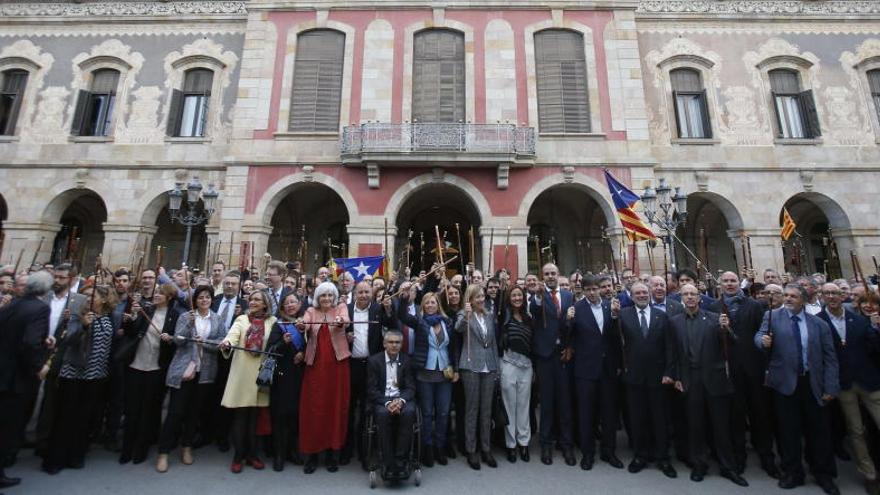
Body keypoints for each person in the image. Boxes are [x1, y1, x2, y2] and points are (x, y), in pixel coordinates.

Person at [755, 284, 840, 495]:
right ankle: (793, 472)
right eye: (786, 295)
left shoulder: (818, 323)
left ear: (803, 299)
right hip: (785, 383)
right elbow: (759, 336)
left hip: (812, 382)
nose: (788, 299)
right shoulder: (772, 316)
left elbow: (830, 358)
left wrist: (830, 386)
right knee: (788, 431)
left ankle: (823, 474)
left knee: (818, 431)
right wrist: (762, 341)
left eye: (793, 296)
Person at [669, 284, 748, 486]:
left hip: (715, 379)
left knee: (721, 426)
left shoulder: (715, 319)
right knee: (695, 426)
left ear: (700, 297)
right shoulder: (675, 322)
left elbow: (733, 344)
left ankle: (728, 467)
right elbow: (673, 354)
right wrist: (676, 377)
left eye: (693, 294)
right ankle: (699, 464)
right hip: (690, 379)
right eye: (685, 294)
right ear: (681, 298)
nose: (689, 297)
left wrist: (726, 329)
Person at [43, 284, 117, 474]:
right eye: (86, 296)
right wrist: (84, 325)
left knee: (84, 417)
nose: (88, 299)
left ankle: (76, 455)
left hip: (96, 374)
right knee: (65, 416)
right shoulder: (77, 316)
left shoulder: (108, 317)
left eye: (93, 296)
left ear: (103, 299)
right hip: (74, 372)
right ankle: (55, 459)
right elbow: (69, 340)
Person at [817, 283, 880, 495]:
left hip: (868, 380)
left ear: (842, 295)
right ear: (822, 296)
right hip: (843, 384)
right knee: (856, 430)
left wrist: (876, 329)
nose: (832, 296)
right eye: (828, 293)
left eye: (836, 293)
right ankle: (869, 473)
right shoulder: (818, 320)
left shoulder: (860, 319)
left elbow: (874, 348)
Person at [156, 285, 226, 472]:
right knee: (175, 412)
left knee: (194, 413)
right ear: (195, 300)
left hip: (205, 372)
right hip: (184, 369)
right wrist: (188, 326)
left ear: (212, 299)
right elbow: (177, 340)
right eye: (200, 297)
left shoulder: (217, 319)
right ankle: (163, 452)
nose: (204, 300)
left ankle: (186, 447)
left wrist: (207, 343)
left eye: (207, 297)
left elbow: (221, 341)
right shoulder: (186, 316)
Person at [718, 271, 779, 477]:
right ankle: (739, 456)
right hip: (729, 370)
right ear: (720, 284)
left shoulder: (754, 305)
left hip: (753, 368)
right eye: (725, 281)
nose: (729, 284)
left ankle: (766, 456)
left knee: (760, 413)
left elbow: (762, 333)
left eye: (733, 280)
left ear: (739, 283)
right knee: (735, 415)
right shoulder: (714, 307)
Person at [618, 281, 677, 479]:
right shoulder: (623, 315)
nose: (642, 295)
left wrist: (669, 372)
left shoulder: (662, 316)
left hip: (658, 377)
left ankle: (663, 457)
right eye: (638, 293)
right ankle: (640, 456)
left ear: (650, 294)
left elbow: (669, 347)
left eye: (645, 292)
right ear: (631, 296)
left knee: (660, 419)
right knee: (638, 418)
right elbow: (619, 344)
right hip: (633, 377)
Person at [118, 283, 179, 465]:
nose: (156, 295)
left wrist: (170, 339)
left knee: (149, 410)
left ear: (169, 297)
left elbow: (176, 341)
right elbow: (131, 332)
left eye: (161, 293)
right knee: (132, 408)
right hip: (137, 364)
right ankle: (127, 448)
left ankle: (141, 448)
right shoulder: (146, 309)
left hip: (156, 368)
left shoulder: (174, 316)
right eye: (156, 292)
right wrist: (131, 318)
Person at [0, 270, 51, 489]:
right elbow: (30, 343)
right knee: (8, 427)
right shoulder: (40, 308)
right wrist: (39, 365)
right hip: (18, 376)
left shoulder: (12, 304)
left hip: (3, 370)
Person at [396, 290, 457, 467]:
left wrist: (457, 369)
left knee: (444, 412)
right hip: (424, 374)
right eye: (427, 303)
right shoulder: (420, 322)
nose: (430, 305)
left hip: (444, 373)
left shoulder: (447, 322)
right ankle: (427, 447)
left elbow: (454, 347)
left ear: (438, 305)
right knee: (428, 413)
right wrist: (404, 298)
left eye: (433, 303)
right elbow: (402, 316)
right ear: (422, 306)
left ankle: (440, 446)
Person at [568, 276, 623, 471]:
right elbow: (568, 337)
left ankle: (609, 451)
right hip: (585, 370)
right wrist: (568, 320)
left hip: (608, 369)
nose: (592, 293)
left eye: (595, 289)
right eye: (588, 289)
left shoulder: (611, 306)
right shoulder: (577, 309)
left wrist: (617, 317)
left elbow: (618, 338)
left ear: (600, 289)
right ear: (583, 291)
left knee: (609, 413)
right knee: (587, 414)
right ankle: (588, 453)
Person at [219, 290, 277, 473]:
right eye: (251, 299)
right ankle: (238, 456)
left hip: (261, 374)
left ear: (265, 304)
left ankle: (252, 455)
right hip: (242, 373)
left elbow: (275, 343)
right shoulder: (241, 320)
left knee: (254, 417)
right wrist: (227, 342)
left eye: (257, 300)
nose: (252, 302)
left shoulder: (273, 321)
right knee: (241, 416)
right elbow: (233, 335)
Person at [298, 281, 351, 473]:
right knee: (314, 409)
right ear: (317, 298)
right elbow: (303, 325)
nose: (326, 299)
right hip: (316, 366)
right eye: (323, 295)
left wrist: (340, 322)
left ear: (334, 297)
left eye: (330, 295)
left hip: (338, 367)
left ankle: (332, 453)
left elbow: (345, 320)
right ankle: (311, 454)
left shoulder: (341, 307)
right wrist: (301, 325)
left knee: (335, 408)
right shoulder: (311, 311)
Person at [528, 263, 576, 466]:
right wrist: (538, 296)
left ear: (558, 275)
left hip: (563, 355)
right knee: (546, 403)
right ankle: (546, 444)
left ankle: (566, 445)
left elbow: (572, 325)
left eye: (553, 273)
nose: (550, 276)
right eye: (546, 274)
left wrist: (570, 346)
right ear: (543, 277)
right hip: (545, 356)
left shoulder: (567, 296)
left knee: (565, 403)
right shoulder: (538, 296)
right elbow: (535, 310)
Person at [345, 280, 394, 465]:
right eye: (361, 292)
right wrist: (345, 336)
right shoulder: (347, 310)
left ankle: (365, 452)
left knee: (368, 409)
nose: (364, 295)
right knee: (349, 409)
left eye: (367, 292)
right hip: (351, 366)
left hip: (372, 367)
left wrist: (388, 309)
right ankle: (347, 450)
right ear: (355, 293)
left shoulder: (377, 309)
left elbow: (391, 324)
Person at [455, 284, 499, 470]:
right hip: (470, 366)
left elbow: (494, 343)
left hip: (488, 366)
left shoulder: (489, 315)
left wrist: (496, 366)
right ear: (470, 300)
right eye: (477, 297)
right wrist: (466, 315)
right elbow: (457, 329)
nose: (481, 299)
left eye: (482, 296)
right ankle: (471, 450)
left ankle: (486, 449)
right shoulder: (464, 314)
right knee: (472, 410)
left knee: (486, 410)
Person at [367, 330, 417, 477]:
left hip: (401, 399)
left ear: (402, 345)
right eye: (391, 342)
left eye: (397, 342)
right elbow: (372, 390)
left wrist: (400, 401)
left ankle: (401, 460)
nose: (394, 345)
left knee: (409, 413)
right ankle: (388, 462)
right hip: (382, 400)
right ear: (384, 344)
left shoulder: (407, 360)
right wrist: (388, 403)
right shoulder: (374, 361)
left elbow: (410, 387)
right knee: (382, 415)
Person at [267, 292, 307, 471]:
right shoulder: (279, 325)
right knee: (281, 416)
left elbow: (312, 345)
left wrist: (303, 353)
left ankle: (293, 451)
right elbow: (270, 350)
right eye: (287, 303)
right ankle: (279, 454)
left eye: (293, 302)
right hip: (283, 376)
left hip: (301, 376)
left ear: (299, 304)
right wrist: (283, 343)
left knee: (296, 417)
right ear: (282, 307)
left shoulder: (305, 323)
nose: (290, 305)